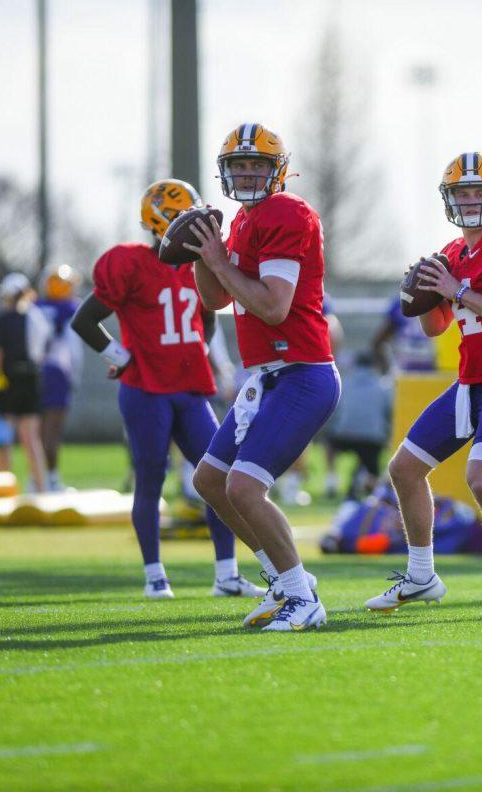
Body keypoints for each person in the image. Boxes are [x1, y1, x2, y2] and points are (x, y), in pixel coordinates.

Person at [364, 152, 482, 619]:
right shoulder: (451, 254)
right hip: (469, 383)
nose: (470, 200)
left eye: (479, 192)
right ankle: (422, 576)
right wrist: (423, 292)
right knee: (403, 469)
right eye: (462, 193)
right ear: (449, 199)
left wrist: (456, 290)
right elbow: (433, 328)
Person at [71, 178, 261, 601]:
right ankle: (155, 576)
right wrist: (120, 356)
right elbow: (85, 320)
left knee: (219, 477)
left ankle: (226, 573)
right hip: (147, 388)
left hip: (191, 387)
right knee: (151, 477)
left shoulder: (204, 265)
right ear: (160, 222)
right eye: (181, 218)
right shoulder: (131, 263)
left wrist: (212, 360)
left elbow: (207, 317)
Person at [189, 122, 338, 632]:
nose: (246, 173)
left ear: (278, 171)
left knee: (246, 487)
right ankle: (282, 577)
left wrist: (219, 263)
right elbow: (215, 299)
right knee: (210, 481)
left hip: (302, 373)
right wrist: (200, 259)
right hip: (267, 378)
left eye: (256, 164)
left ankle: (302, 597)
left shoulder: (284, 213)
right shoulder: (243, 220)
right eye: (238, 165)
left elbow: (274, 307)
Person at [0, 273, 51, 493]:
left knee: (5, 439)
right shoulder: (36, 317)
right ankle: (42, 488)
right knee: (31, 438)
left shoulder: (2, 320)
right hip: (32, 379)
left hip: (10, 382)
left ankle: (3, 489)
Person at [35, 263, 84, 491]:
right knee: (53, 430)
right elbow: (73, 350)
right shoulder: (70, 309)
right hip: (58, 371)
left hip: (35, 372)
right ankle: (50, 479)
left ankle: (36, 478)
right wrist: (74, 377)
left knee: (38, 430)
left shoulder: (34, 307)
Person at [327, 351, 393, 500]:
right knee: (370, 466)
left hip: (344, 435)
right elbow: (389, 413)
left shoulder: (344, 382)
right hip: (372, 440)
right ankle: (366, 482)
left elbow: (336, 410)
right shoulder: (383, 386)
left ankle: (330, 479)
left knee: (329, 442)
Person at [371, 292, 438, 375]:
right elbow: (378, 341)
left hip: (437, 375)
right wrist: (386, 371)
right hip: (405, 374)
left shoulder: (441, 302)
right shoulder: (400, 304)